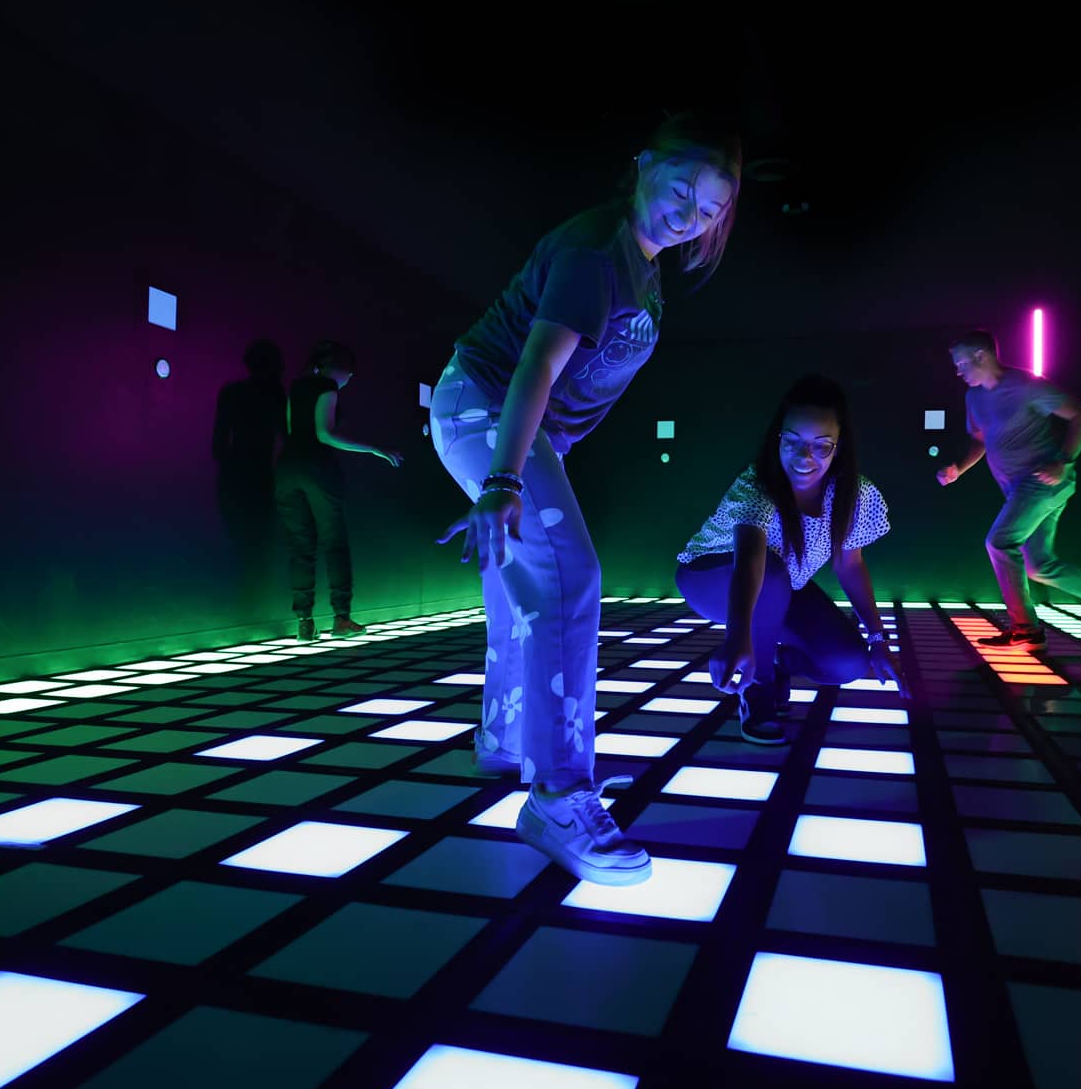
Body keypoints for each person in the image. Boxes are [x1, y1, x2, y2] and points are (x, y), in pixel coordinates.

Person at [433, 112, 741, 886]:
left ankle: (507, 739)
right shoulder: (595, 251)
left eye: (709, 209)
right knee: (572, 580)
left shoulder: (643, 264)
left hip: (513, 428)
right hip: (487, 406)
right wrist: (503, 479)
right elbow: (536, 365)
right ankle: (558, 795)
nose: (689, 215)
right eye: (680, 190)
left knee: (527, 584)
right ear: (642, 164)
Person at [676, 374, 907, 744]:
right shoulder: (757, 484)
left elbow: (850, 565)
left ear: (838, 447)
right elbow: (750, 557)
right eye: (793, 441)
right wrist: (737, 635)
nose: (805, 457)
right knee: (771, 574)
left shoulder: (854, 494)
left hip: (781, 586)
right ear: (778, 438)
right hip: (710, 576)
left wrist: (878, 639)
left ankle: (777, 661)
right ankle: (758, 687)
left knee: (848, 661)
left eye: (821, 445)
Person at [937, 329, 1081, 648]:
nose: (958, 371)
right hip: (1018, 491)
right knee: (1038, 565)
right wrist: (959, 468)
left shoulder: (1026, 385)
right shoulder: (974, 397)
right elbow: (981, 440)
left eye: (961, 363)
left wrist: (1064, 460)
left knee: (999, 542)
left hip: (1042, 482)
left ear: (981, 356)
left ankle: (1025, 629)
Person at [275, 341, 403, 641]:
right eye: (349, 372)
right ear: (339, 369)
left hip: (287, 469)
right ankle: (341, 619)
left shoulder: (296, 386)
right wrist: (375, 449)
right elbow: (324, 433)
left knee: (300, 547)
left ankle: (305, 623)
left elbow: (293, 429)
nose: (351, 378)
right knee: (334, 543)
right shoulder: (328, 387)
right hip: (317, 469)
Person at [212, 339, 286, 620]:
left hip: (235, 476)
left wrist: (228, 465)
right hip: (259, 478)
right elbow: (287, 438)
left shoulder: (232, 393)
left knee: (241, 545)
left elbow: (219, 441)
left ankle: (240, 609)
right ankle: (253, 609)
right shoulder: (275, 395)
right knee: (259, 547)